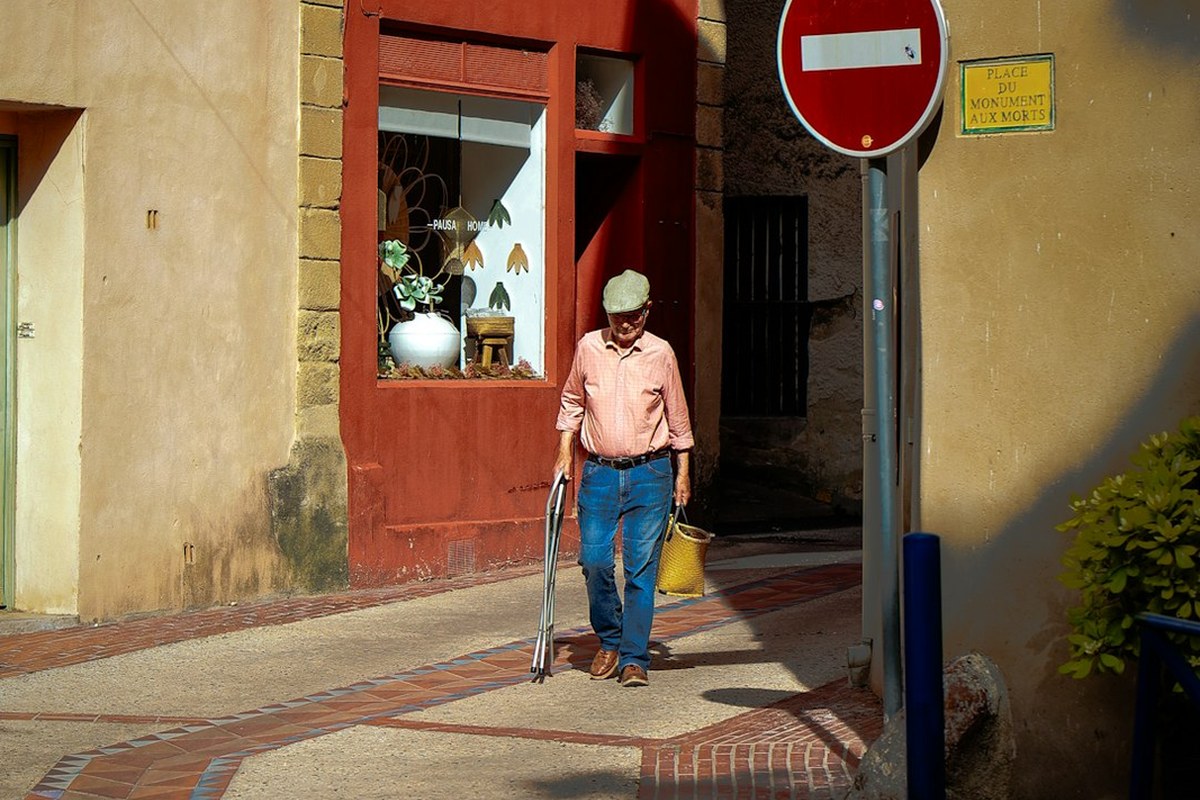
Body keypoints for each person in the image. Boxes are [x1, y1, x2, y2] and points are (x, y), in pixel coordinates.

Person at [553, 269, 693, 688]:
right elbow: (572, 401)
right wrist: (564, 452)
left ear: (648, 310)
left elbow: (679, 419)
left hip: (651, 473)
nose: (625, 324)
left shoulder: (661, 354)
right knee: (595, 562)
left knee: (640, 570)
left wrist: (683, 474)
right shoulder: (589, 348)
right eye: (617, 317)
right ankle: (610, 638)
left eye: (633, 315)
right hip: (598, 472)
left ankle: (634, 658)